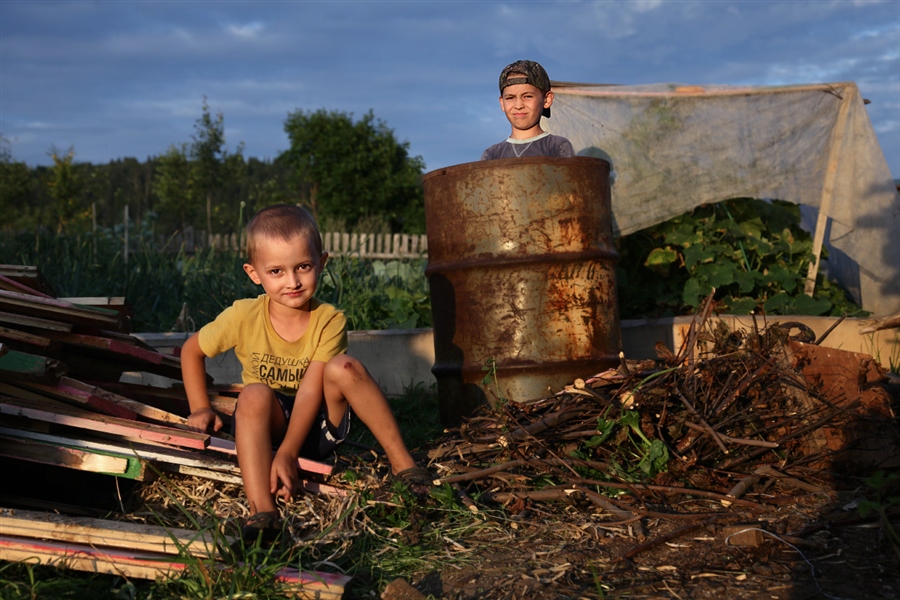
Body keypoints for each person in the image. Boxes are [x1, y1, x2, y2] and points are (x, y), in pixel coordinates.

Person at [181, 204, 431, 545]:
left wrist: (287, 453)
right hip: (270, 426)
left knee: (345, 367)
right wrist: (200, 407)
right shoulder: (242, 315)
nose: (293, 282)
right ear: (254, 274)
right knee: (254, 392)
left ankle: (404, 466)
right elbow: (191, 350)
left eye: (303, 266)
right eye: (276, 272)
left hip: (318, 428)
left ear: (322, 263)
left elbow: (311, 392)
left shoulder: (329, 320)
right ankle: (263, 514)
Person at [481, 59, 575, 160]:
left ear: (547, 100)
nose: (518, 105)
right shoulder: (492, 155)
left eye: (527, 96)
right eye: (510, 98)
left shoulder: (556, 147)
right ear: (502, 103)